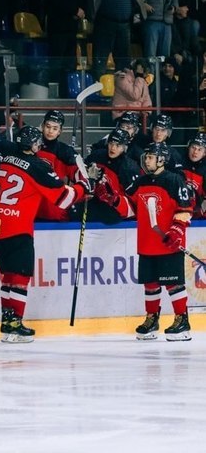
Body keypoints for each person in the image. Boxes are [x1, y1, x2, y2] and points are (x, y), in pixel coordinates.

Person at [0, 125, 89, 343]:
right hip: (17, 228)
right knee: (21, 277)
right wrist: (83, 186)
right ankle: (15, 324)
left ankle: (7, 324)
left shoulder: (6, 159)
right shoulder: (37, 166)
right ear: (33, 145)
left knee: (8, 278)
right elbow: (63, 198)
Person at [98, 142, 193, 340]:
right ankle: (152, 319)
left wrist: (176, 231)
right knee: (150, 284)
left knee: (173, 284)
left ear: (161, 159)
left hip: (168, 244)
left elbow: (185, 209)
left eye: (150, 156)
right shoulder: (141, 182)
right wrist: (112, 199)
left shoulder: (174, 180)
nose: (146, 159)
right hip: (147, 243)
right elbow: (131, 208)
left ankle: (182, 320)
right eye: (146, 156)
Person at [86, 128, 141, 224]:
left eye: (118, 145)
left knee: (109, 217)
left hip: (114, 207)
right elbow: (81, 172)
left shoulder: (129, 168)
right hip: (95, 201)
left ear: (124, 147)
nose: (113, 148)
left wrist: (114, 199)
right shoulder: (97, 156)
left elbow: (134, 200)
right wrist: (87, 173)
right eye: (111, 143)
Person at [183, 133, 206, 219]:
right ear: (189, 147)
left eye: (200, 149)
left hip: (199, 218)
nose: (195, 152)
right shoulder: (179, 164)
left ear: (204, 153)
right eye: (193, 147)